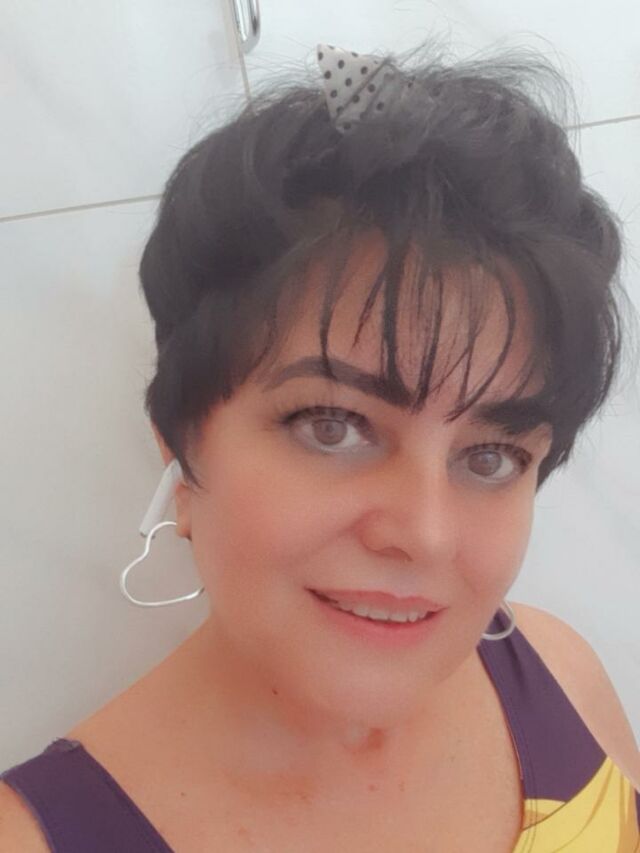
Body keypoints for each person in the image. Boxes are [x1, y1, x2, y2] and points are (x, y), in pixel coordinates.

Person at [2, 40, 639, 852]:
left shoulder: (561, 673)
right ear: (180, 452)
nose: (424, 533)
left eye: (492, 455)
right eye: (332, 426)